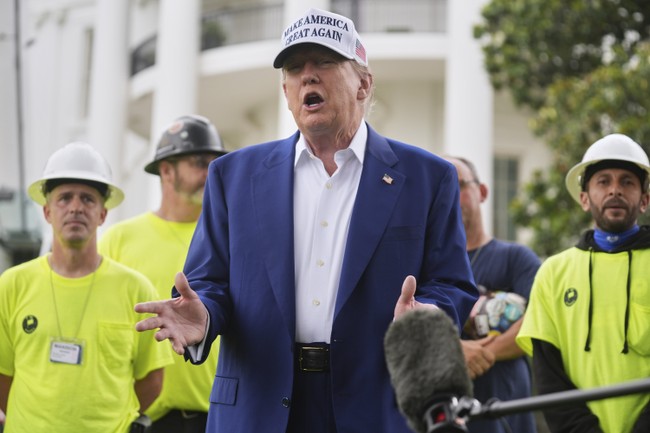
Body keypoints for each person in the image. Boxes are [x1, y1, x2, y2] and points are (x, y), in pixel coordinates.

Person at [134, 8, 478, 433]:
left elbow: (452, 283)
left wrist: (427, 315)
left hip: (375, 404)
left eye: (325, 62)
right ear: (285, 91)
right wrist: (203, 314)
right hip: (259, 405)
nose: (308, 76)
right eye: (295, 68)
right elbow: (209, 280)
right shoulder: (232, 176)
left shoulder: (427, 177)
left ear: (364, 84)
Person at [0, 142, 173, 433]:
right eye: (64, 198)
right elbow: (2, 376)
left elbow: (152, 381)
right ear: (47, 211)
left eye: (88, 199)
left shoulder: (136, 291)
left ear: (103, 214)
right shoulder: (12, 285)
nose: (76, 207)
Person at [99, 114, 227, 432]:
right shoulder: (119, 240)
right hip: (141, 418)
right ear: (167, 170)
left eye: (215, 164)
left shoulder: (232, 239)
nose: (210, 173)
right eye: (200, 163)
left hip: (217, 418)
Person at [517, 133, 650, 433]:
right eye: (603, 181)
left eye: (627, 182)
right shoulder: (552, 273)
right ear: (584, 198)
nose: (615, 190)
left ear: (644, 200)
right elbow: (549, 377)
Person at [444, 156, 540, 433]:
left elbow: (539, 322)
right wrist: (455, 352)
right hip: (446, 418)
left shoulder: (516, 258)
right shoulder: (424, 268)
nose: (451, 196)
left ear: (483, 192)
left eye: (459, 185)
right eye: (442, 188)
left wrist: (476, 354)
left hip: (506, 414)